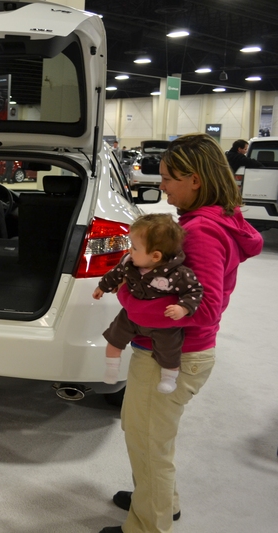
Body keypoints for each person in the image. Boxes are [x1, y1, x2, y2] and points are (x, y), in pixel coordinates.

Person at [99, 133, 263, 533]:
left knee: (147, 440)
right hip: (177, 351)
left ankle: (147, 525)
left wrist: (129, 298)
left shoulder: (201, 232)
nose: (162, 184)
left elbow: (203, 308)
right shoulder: (212, 220)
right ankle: (156, 500)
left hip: (172, 355)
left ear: (196, 179)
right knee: (152, 435)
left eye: (170, 177)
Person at [93, 214, 203, 394]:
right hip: (130, 317)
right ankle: (111, 368)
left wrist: (183, 308)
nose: (130, 251)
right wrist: (103, 287)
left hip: (164, 322)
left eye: (135, 248)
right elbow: (115, 274)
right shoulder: (130, 264)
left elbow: (194, 291)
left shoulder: (179, 274)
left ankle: (169, 378)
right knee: (114, 338)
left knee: (170, 350)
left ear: (156, 255)